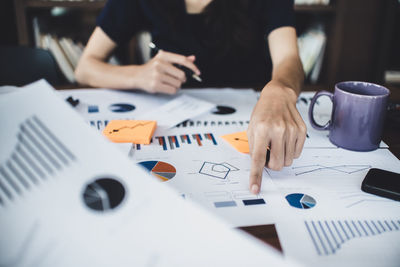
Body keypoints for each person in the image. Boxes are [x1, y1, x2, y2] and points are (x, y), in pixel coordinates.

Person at [75, 0, 307, 194]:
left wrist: (280, 88)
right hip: (171, 126)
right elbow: (85, 68)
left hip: (249, 114)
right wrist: (138, 75)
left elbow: (288, 58)